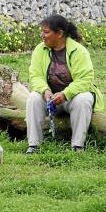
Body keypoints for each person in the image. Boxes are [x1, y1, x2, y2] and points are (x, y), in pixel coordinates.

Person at [25, 14, 105, 154]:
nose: (42, 35)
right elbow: (35, 75)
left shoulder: (79, 51)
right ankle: (34, 145)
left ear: (60, 33)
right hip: (50, 98)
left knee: (84, 99)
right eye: (42, 31)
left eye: (46, 32)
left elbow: (85, 79)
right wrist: (45, 91)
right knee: (33, 97)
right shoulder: (40, 49)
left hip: (72, 97)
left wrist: (65, 94)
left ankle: (77, 146)